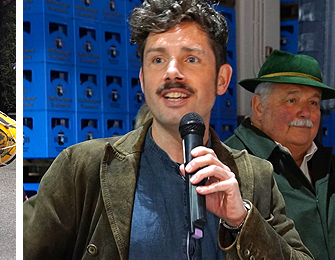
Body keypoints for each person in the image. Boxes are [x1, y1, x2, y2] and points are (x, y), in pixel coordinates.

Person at [23, 0, 312, 259]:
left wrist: (243, 221)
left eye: (191, 58)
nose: (172, 71)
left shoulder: (256, 176)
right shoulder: (84, 168)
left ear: (222, 80)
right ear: (143, 79)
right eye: (158, 59)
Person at [224, 50, 335, 259]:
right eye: (292, 100)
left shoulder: (327, 165)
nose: (305, 112)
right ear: (258, 106)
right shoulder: (233, 166)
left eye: (313, 102)